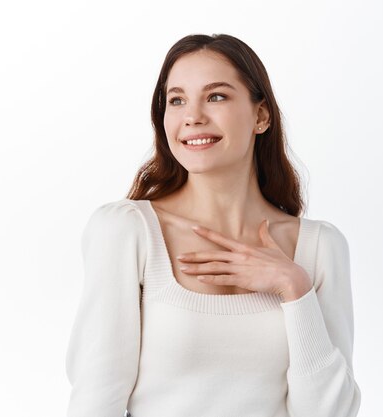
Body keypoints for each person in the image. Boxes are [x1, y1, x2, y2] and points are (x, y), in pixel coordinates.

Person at [65, 33, 361, 417]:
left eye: (216, 96)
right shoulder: (128, 232)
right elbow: (95, 401)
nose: (193, 116)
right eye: (177, 100)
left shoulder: (320, 247)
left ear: (261, 115)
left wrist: (295, 288)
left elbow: (329, 413)